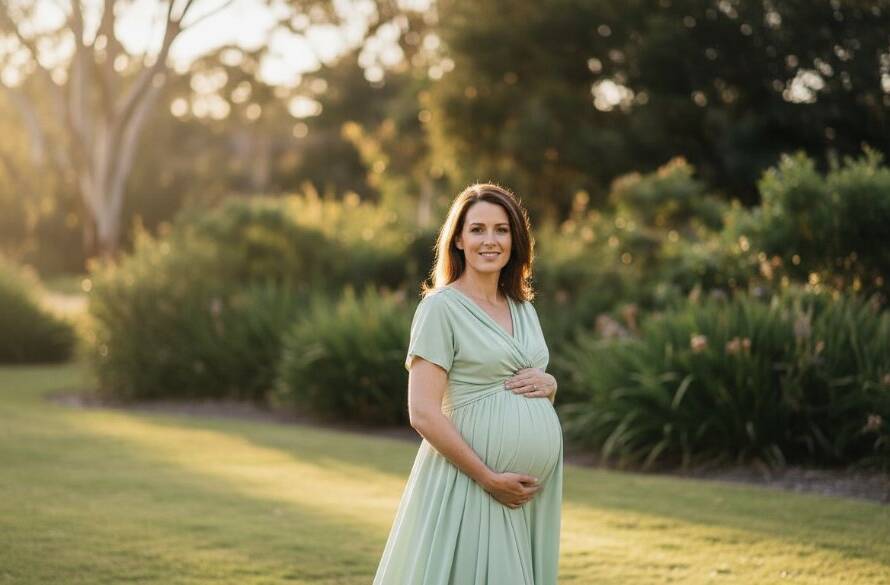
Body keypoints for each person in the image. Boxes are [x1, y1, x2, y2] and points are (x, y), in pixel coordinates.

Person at [372, 183, 562, 585]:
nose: (489, 241)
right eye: (477, 230)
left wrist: (549, 385)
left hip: (526, 496)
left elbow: (523, 385)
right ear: (458, 239)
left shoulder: (523, 309)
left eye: (501, 230)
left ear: (516, 239)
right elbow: (422, 411)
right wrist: (488, 477)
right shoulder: (440, 308)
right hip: (473, 482)